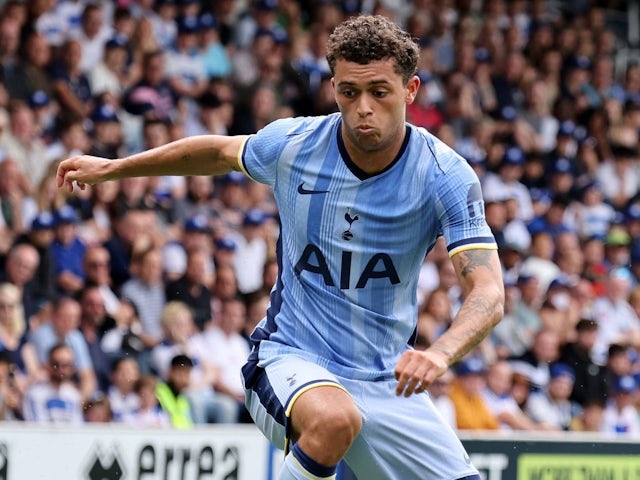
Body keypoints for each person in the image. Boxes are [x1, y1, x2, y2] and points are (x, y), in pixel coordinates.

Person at [57, 15, 504, 480]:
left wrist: (439, 353)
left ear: (410, 90)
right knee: (335, 420)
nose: (363, 108)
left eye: (379, 91)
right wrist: (114, 167)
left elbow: (488, 293)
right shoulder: (295, 145)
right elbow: (217, 152)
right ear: (333, 88)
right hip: (289, 358)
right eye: (349, 93)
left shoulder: (444, 176)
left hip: (386, 380)